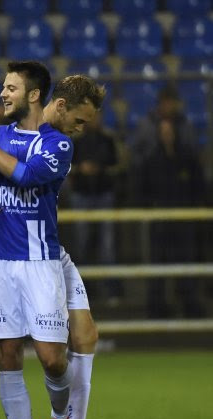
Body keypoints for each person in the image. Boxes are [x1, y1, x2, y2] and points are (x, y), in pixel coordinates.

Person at [0, 65, 106, 419]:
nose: (82, 128)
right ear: (54, 102)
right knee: (5, 353)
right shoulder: (1, 135)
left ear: (33, 95)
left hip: (44, 259)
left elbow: (26, 175)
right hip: (1, 258)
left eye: (11, 88)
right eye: (80, 119)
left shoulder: (57, 145)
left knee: (53, 357)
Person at [130, 86, 206, 318]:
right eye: (166, 102)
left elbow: (195, 166)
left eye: (172, 102)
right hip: (157, 206)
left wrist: (173, 145)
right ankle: (157, 307)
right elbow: (139, 166)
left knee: (185, 257)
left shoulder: (185, 127)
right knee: (158, 259)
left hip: (182, 206)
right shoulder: (147, 128)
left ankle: (189, 304)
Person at [69, 110, 121, 302]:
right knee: (81, 244)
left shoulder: (108, 140)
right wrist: (81, 169)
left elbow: (118, 167)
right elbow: (66, 168)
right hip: (82, 195)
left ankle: (111, 289)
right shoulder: (77, 142)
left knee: (107, 245)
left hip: (103, 193)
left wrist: (100, 169)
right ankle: (83, 291)